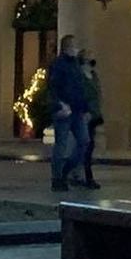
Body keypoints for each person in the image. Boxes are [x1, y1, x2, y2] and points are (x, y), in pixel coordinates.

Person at [46, 34, 89, 192]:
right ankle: (57, 178)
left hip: (77, 110)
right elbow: (52, 88)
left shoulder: (76, 64)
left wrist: (85, 108)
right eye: (73, 46)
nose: (76, 49)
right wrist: (59, 105)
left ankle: (66, 170)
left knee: (84, 141)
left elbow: (80, 87)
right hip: (63, 111)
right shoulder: (58, 65)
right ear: (66, 48)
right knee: (61, 145)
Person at [78, 50, 104, 190]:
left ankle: (85, 175)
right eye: (89, 58)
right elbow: (78, 95)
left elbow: (98, 94)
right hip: (83, 115)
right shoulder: (79, 77)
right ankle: (85, 176)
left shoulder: (93, 75)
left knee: (90, 146)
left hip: (93, 115)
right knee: (85, 146)